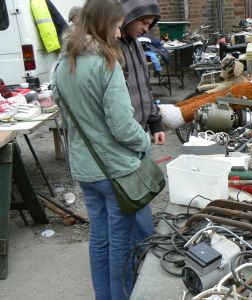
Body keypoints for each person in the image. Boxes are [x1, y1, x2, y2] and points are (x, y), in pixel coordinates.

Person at [51, 0, 151, 299]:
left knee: (99, 238)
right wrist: (144, 142)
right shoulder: (106, 64)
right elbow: (122, 126)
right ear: (105, 25)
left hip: (85, 168)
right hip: (114, 171)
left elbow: (65, 110)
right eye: (118, 26)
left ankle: (104, 296)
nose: (120, 34)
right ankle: (120, 296)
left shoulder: (63, 64)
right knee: (121, 240)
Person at [118, 0, 165, 248]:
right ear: (127, 16)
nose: (147, 29)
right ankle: (143, 251)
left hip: (140, 134)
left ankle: (143, 246)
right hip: (126, 139)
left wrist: (155, 123)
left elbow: (145, 89)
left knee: (142, 197)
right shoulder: (112, 48)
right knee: (133, 200)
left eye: (150, 24)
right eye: (143, 22)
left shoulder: (135, 45)